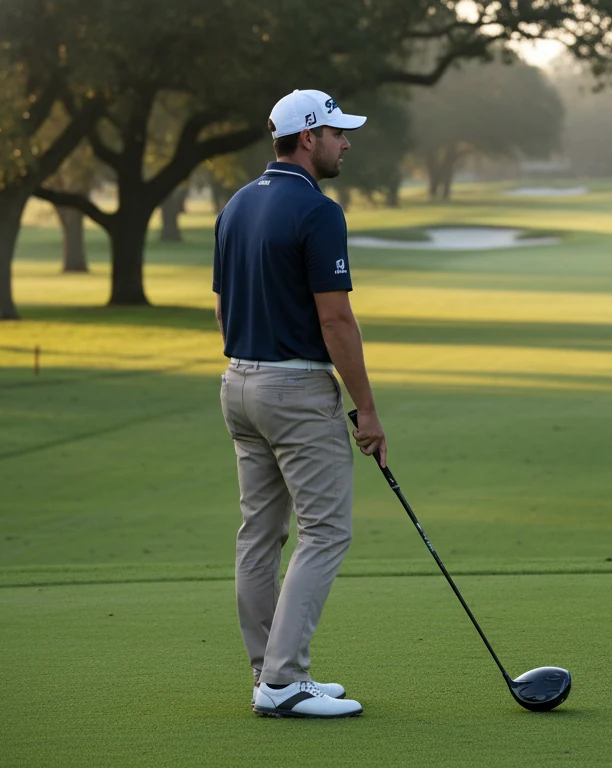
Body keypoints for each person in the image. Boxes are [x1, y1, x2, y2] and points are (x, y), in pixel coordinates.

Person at [213, 89, 387, 718]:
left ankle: (268, 674)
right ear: (308, 137)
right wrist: (366, 409)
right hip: (295, 391)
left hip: (238, 384)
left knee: (259, 533)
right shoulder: (319, 211)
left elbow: (221, 303)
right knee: (325, 530)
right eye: (338, 132)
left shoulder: (236, 204)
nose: (347, 141)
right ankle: (285, 679)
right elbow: (336, 320)